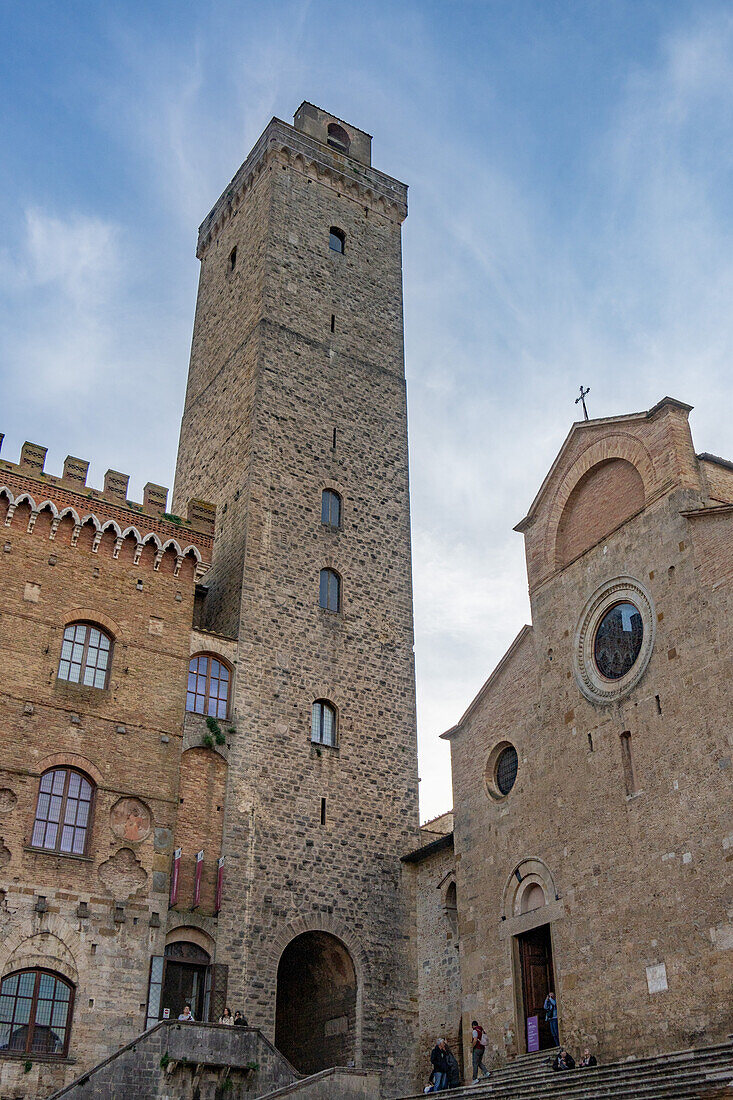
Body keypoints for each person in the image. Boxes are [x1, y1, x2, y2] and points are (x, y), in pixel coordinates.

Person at [470, 1020, 491, 1084]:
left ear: (473, 1025)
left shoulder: (475, 1031)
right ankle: (486, 1072)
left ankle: (474, 1078)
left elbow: (475, 1040)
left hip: (477, 1048)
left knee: (475, 1063)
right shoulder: (481, 1030)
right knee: (479, 1061)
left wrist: (472, 1047)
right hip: (482, 1048)